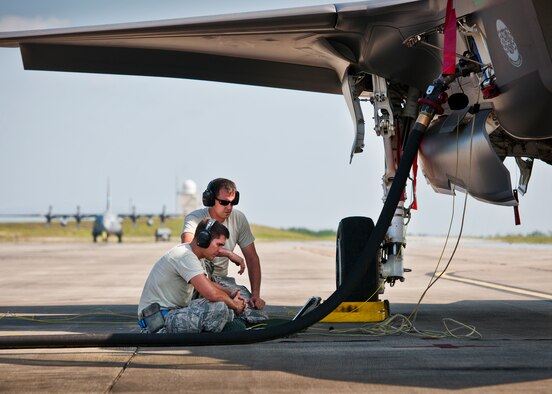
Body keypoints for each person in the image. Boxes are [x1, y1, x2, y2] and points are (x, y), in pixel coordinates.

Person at [138, 218, 247, 333]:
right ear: (203, 239)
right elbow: (211, 293)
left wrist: (231, 294)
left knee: (225, 305)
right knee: (220, 307)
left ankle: (220, 327)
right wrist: (235, 305)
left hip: (172, 314)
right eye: (218, 245)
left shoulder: (193, 256)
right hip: (157, 322)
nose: (220, 250)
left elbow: (206, 283)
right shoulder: (184, 256)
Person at [181, 178, 267, 323]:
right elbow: (188, 248)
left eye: (233, 202)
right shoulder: (194, 219)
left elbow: (252, 259)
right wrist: (227, 253)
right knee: (217, 312)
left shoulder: (238, 219)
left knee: (255, 315)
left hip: (221, 281)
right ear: (209, 200)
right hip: (197, 280)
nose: (229, 207)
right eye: (224, 202)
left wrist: (256, 295)